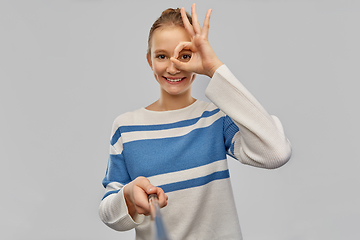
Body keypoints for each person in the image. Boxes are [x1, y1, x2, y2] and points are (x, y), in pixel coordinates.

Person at [99, 4, 292, 240]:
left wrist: (214, 69)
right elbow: (108, 212)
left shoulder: (215, 118)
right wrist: (128, 195)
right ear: (149, 61)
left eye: (184, 56)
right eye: (161, 56)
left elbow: (276, 152)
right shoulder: (126, 127)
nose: (173, 66)